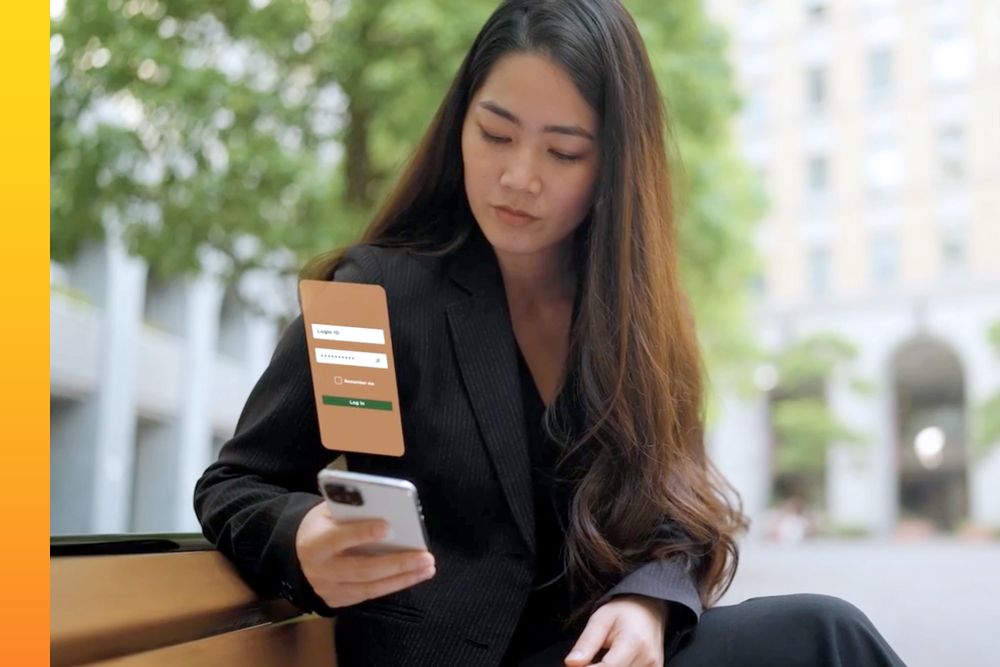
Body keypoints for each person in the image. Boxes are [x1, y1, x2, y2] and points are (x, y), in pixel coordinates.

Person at [194, 1, 907, 665]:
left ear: (612, 170)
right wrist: (301, 536)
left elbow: (681, 514)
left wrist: (648, 600)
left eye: (563, 152)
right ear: (459, 126)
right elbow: (239, 482)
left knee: (825, 631)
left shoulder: (642, 320)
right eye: (495, 133)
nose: (519, 176)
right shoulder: (374, 300)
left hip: (597, 655)